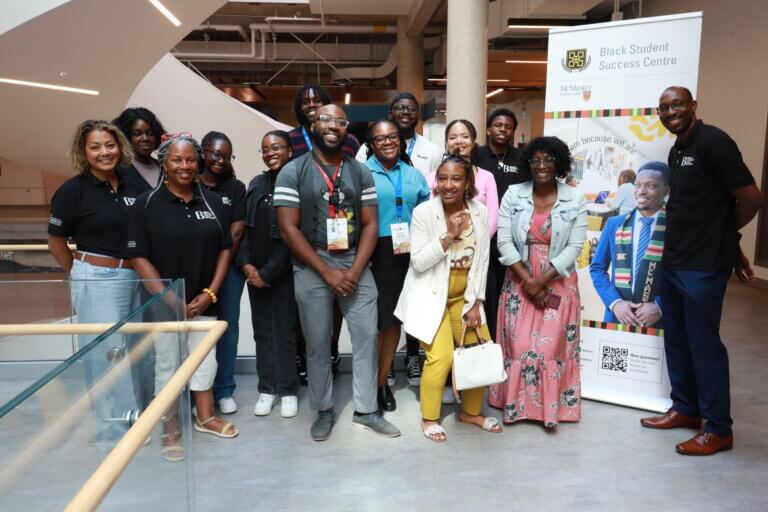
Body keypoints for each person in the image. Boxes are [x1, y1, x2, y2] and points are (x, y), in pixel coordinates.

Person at [640, 86, 764, 456]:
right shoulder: (678, 149)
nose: (670, 111)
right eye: (664, 107)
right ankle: (686, 409)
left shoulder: (714, 143)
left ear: (693, 106)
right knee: (676, 338)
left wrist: (728, 241)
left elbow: (751, 197)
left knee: (704, 344)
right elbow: (706, 206)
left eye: (677, 104)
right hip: (674, 260)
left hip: (702, 267)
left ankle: (719, 429)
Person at [275, 103, 400, 441]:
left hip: (355, 261)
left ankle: (367, 410)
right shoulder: (293, 171)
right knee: (317, 343)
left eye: (340, 122)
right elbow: (289, 229)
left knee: (366, 337)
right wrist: (327, 273)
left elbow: (372, 225)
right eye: (325, 120)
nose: (333, 126)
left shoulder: (361, 172)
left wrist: (355, 271)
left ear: (348, 130)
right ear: (313, 124)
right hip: (312, 263)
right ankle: (324, 409)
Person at [128, 134, 238, 451]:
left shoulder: (214, 203)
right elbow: (139, 258)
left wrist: (210, 293)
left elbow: (224, 251)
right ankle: (171, 422)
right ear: (164, 162)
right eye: (177, 160)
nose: (185, 166)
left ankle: (205, 417)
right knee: (168, 365)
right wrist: (171, 299)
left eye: (190, 159)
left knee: (205, 361)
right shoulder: (145, 205)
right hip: (165, 304)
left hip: (204, 301)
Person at [48, 119, 142, 449]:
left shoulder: (132, 182)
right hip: (97, 278)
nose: (105, 152)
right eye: (95, 147)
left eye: (110, 144)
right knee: (106, 354)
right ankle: (113, 427)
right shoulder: (73, 191)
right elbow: (56, 241)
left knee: (135, 349)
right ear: (84, 152)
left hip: (137, 276)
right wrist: (80, 272)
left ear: (120, 146)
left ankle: (135, 416)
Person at [395, 155, 501, 442]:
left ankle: (470, 412)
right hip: (430, 295)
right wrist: (449, 235)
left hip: (464, 294)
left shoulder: (479, 211)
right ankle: (429, 418)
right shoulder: (424, 213)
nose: (448, 185)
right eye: (442, 178)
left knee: (477, 347)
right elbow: (418, 261)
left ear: (468, 182)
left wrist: (476, 302)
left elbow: (482, 262)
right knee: (440, 357)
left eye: (456, 178)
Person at [488, 136, 587, 428]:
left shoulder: (574, 197)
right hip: (519, 277)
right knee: (518, 348)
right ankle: (516, 405)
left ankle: (551, 409)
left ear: (559, 163)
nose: (542, 166)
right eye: (536, 160)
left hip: (558, 281)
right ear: (528, 163)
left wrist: (541, 281)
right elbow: (504, 242)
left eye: (549, 160)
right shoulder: (514, 194)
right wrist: (528, 281)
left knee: (551, 348)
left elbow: (575, 246)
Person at [288, 84, 358, 384]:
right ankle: (307, 352)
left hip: (343, 229)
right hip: (307, 233)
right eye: (306, 102)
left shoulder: (351, 141)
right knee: (309, 307)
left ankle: (331, 350)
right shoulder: (291, 139)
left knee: (340, 300)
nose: (311, 105)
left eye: (317, 100)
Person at [427, 119, 499, 403]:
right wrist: (449, 238)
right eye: (453, 136)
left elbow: (490, 219)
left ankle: (470, 385)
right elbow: (429, 217)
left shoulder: (486, 177)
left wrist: (472, 239)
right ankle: (447, 383)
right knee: (439, 335)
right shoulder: (434, 175)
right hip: (441, 260)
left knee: (473, 325)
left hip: (475, 259)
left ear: (473, 141)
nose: (459, 141)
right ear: (446, 143)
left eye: (465, 136)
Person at [364, 120, 430, 412]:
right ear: (372, 144)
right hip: (376, 251)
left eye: (393, 137)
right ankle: (377, 383)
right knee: (380, 321)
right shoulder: (362, 172)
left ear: (400, 141)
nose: (388, 142)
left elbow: (428, 213)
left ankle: (384, 378)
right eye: (380, 139)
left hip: (412, 251)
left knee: (400, 319)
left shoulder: (414, 175)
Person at [236, 131, 299, 418]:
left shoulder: (297, 182)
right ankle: (266, 388)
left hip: (284, 271)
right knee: (262, 332)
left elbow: (293, 236)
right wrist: (247, 265)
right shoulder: (256, 183)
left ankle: (287, 390)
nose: (270, 152)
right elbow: (244, 229)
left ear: (289, 151)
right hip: (255, 272)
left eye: (276, 147)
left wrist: (269, 272)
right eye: (265, 149)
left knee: (284, 332)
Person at [197, 131, 247, 415]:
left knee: (227, 329)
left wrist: (218, 265)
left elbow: (236, 232)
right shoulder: (189, 184)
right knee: (199, 331)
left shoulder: (235, 188)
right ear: (203, 152)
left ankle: (224, 389)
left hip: (228, 270)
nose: (220, 160)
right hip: (194, 268)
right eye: (216, 153)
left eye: (226, 156)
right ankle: (197, 390)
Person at [590, 162, 670, 328]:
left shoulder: (676, 228)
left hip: (660, 321)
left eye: (651, 186)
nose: (641, 191)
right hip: (618, 317)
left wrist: (661, 306)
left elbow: (684, 275)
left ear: (666, 191)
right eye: (638, 185)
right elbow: (597, 268)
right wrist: (615, 303)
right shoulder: (614, 224)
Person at [475, 109, 525, 367]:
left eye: (508, 126)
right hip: (481, 235)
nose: (503, 129)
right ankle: (483, 348)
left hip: (512, 237)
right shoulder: (477, 154)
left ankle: (506, 349)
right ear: (488, 129)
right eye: (498, 125)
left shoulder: (521, 157)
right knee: (483, 293)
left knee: (507, 294)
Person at [355, 92, 443, 177]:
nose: (405, 112)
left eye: (411, 109)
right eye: (399, 108)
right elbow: (358, 180)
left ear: (418, 115)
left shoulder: (433, 151)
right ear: (390, 114)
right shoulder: (369, 148)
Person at [113, 107, 166, 193]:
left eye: (150, 134)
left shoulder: (164, 167)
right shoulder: (118, 169)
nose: (145, 138)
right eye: (137, 134)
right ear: (126, 136)